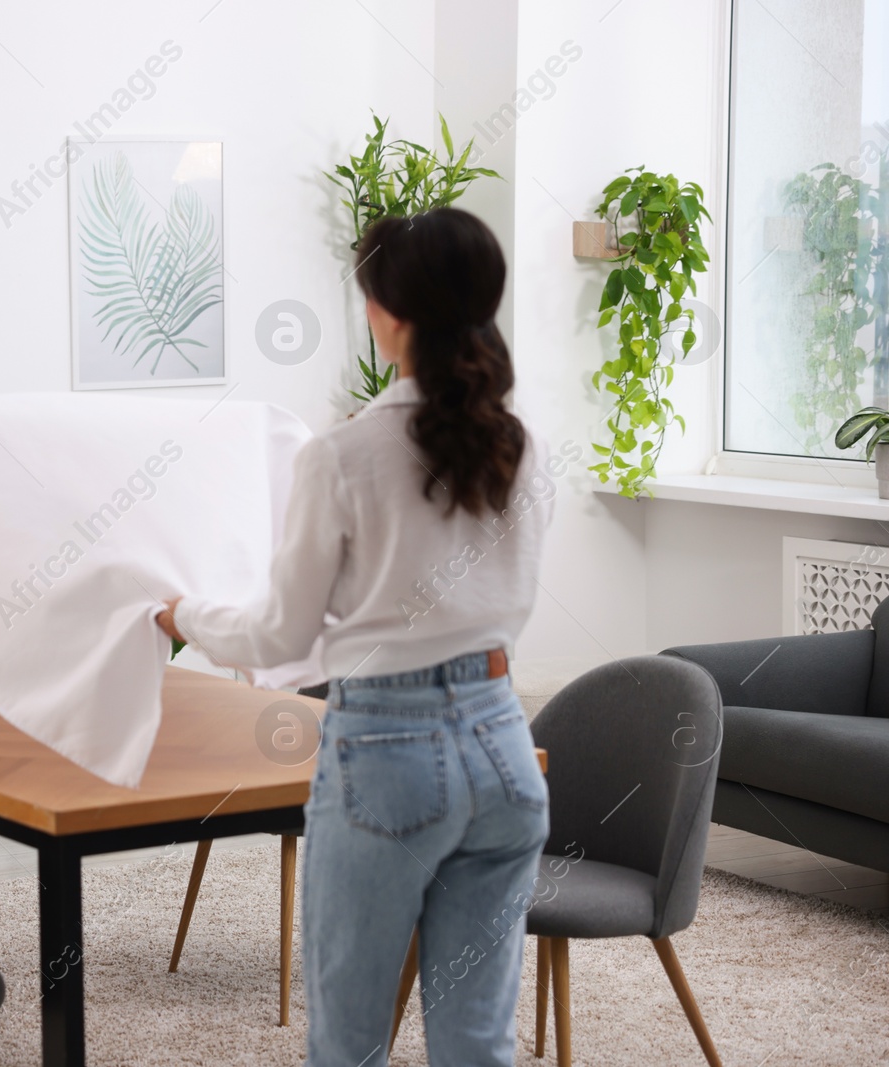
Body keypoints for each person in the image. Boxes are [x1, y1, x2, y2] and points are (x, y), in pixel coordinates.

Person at [156, 208, 553, 1066]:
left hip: (387, 750)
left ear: (384, 312)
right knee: (479, 1040)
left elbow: (276, 631)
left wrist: (181, 614)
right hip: (503, 743)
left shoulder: (344, 454)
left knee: (348, 1041)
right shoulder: (524, 448)